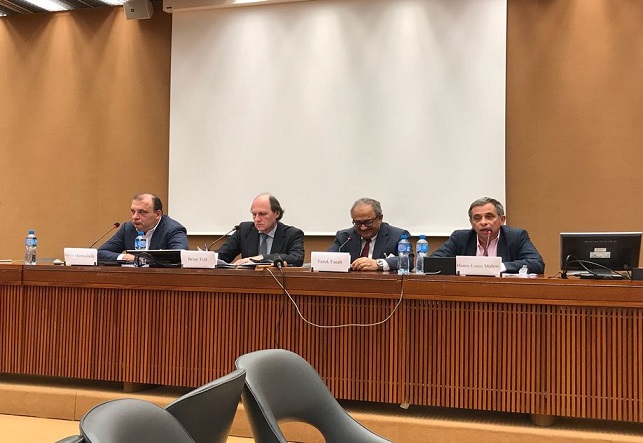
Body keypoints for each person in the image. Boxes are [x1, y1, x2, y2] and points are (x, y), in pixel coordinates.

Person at [430, 197, 545, 274]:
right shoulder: (460, 238)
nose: (483, 222)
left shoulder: (516, 237)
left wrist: (499, 266)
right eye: (477, 218)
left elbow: (537, 264)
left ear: (502, 220)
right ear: (471, 223)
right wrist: (466, 267)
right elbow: (432, 262)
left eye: (489, 217)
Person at [216, 193, 305, 267]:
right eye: (254, 214)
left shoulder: (292, 234)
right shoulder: (244, 230)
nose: (257, 219)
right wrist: (209, 258)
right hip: (249, 281)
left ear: (277, 213)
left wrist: (262, 258)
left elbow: (297, 259)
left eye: (262, 214)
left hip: (277, 281)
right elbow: (222, 255)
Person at [97, 193, 189, 262]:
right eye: (133, 211)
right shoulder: (128, 228)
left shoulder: (173, 230)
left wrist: (143, 259)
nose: (135, 217)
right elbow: (101, 252)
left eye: (142, 212)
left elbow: (180, 256)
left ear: (158, 214)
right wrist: (125, 257)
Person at [328, 198, 410, 271]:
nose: (363, 228)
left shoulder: (397, 236)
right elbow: (327, 259)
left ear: (380, 218)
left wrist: (378, 264)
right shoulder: (344, 237)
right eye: (358, 223)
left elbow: (408, 260)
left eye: (368, 222)